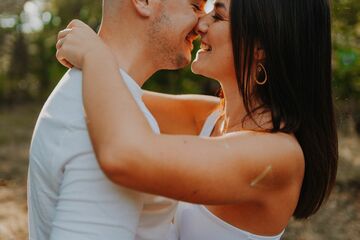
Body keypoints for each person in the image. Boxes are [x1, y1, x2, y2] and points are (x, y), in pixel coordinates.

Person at [56, 0, 338, 239]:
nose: (200, 23)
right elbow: (117, 95)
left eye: (218, 16)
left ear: (260, 46)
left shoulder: (277, 157)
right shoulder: (210, 117)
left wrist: (95, 55)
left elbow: (124, 154)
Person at [28, 0, 215, 239]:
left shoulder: (102, 102)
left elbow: (208, 116)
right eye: (195, 5)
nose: (201, 23)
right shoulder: (100, 127)